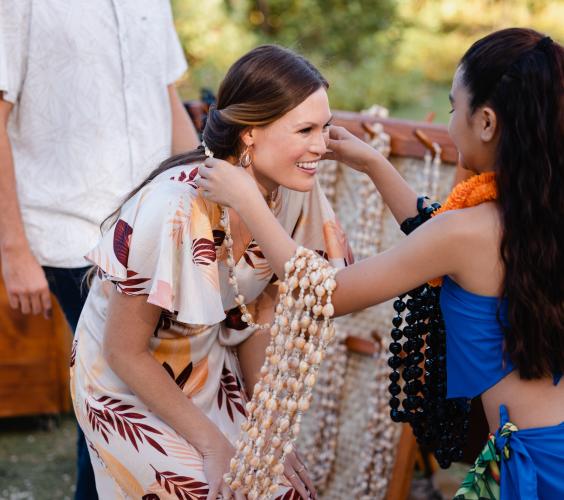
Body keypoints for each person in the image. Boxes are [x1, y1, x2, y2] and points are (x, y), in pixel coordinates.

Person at [198, 28, 563, 499]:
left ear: (487, 122)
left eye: (454, 108)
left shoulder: (469, 232)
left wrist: (248, 200)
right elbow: (434, 226)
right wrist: (372, 162)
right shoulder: (535, 212)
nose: (451, 123)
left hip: (539, 461)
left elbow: (325, 293)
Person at [70, 44, 352, 499]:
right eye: (305, 130)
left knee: (276, 489)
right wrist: (212, 444)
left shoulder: (294, 193)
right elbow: (123, 350)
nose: (320, 147)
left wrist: (266, 433)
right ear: (250, 134)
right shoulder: (175, 209)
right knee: (205, 490)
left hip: (209, 363)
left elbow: (256, 318)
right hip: (127, 379)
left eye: (326, 128)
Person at [0, 1, 199, 498]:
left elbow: (168, 98)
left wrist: (209, 195)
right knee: (121, 391)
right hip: (71, 235)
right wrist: (14, 249)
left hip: (153, 228)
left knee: (118, 397)